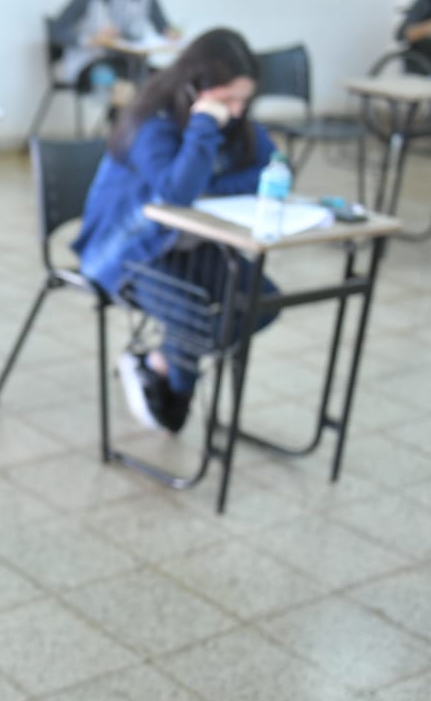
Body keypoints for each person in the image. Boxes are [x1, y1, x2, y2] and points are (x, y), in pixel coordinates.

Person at [73, 29, 280, 434]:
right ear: (194, 89)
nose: (237, 112)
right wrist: (203, 124)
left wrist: (210, 187)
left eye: (244, 100)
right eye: (227, 100)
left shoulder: (235, 121)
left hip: (188, 245)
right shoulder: (152, 124)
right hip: (129, 253)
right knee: (192, 319)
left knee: (263, 300)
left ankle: (158, 363)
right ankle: (176, 383)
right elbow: (177, 191)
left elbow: (270, 169)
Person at [50, 0, 179, 115]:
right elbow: (56, 30)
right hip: (90, 64)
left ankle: (147, 135)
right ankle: (119, 136)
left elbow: (162, 25)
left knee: (164, 80)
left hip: (128, 63)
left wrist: (170, 32)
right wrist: (90, 39)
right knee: (123, 88)